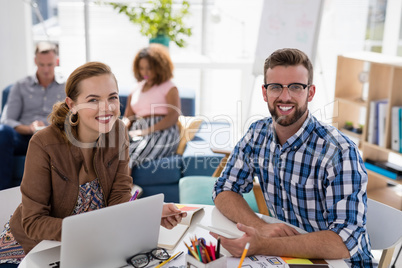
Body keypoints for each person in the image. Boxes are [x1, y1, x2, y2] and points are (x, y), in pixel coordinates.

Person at [0, 62, 186, 267]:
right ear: (72, 105)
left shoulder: (118, 132)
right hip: (29, 250)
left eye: (112, 98)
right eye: (93, 100)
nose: (107, 108)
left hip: (86, 246)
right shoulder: (44, 143)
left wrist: (150, 215)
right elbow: (33, 222)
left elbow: (119, 199)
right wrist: (96, 231)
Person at [212, 48, 374, 267]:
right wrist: (259, 227)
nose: (285, 96)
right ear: (264, 92)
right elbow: (224, 189)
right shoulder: (257, 133)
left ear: (310, 92)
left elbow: (343, 241)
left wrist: (262, 244)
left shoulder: (340, 152)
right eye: (276, 87)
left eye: (296, 87)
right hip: (288, 258)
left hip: (340, 263)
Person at [0, 41, 65, 191]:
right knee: (3, 132)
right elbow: (7, 119)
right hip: (23, 137)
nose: (46, 69)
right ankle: (3, 193)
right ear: (35, 61)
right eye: (42, 65)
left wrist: (49, 128)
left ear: (56, 62)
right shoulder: (20, 86)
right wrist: (29, 128)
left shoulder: (65, 87)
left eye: (50, 64)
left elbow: (70, 117)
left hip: (52, 136)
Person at [123, 44, 181, 168]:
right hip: (137, 131)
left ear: (159, 67)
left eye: (149, 68)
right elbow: (128, 117)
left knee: (128, 158)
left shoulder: (169, 87)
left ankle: (126, 187)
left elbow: (173, 116)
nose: (145, 72)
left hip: (162, 132)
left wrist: (145, 131)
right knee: (112, 154)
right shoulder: (135, 88)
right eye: (141, 68)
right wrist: (120, 129)